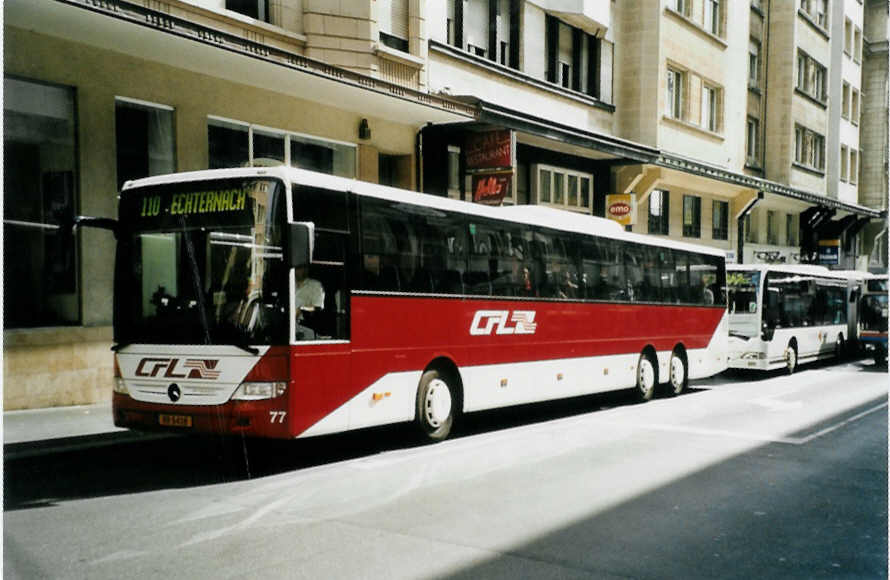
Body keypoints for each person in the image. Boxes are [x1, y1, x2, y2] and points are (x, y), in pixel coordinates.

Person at [294, 263, 324, 339]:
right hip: (287, 323)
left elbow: (317, 307)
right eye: (297, 268)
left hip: (304, 324)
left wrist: (301, 309)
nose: (298, 271)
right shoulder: (289, 283)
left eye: (300, 268)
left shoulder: (315, 285)